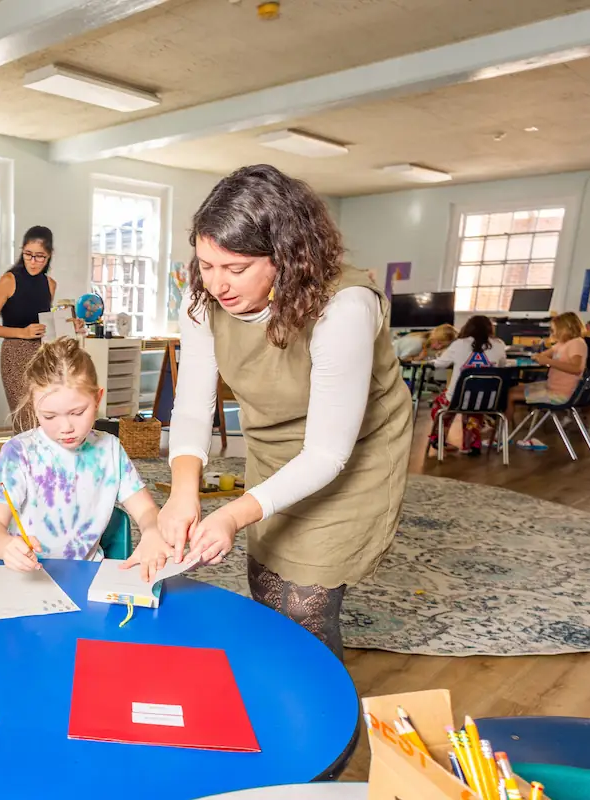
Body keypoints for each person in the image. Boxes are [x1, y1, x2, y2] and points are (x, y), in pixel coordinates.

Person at [161, 165, 413, 659]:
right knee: (268, 579)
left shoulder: (344, 307)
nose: (217, 284)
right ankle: (279, 707)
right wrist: (183, 491)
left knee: (305, 606)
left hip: (352, 456)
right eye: (207, 265)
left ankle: (326, 727)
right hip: (274, 443)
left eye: (236, 269)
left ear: (286, 256)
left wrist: (231, 515)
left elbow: (325, 454)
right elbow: (191, 405)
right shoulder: (202, 297)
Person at [0, 339, 173, 582]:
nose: (66, 427)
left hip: (88, 576)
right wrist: (6, 545)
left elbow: (146, 510)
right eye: (49, 416)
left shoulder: (109, 449)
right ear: (34, 408)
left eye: (78, 412)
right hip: (28, 578)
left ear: (98, 398)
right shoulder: (19, 453)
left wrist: (152, 531)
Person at [0, 226, 80, 433]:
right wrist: (22, 332)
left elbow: (48, 325)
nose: (33, 261)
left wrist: (71, 324)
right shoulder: (9, 280)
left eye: (40, 256)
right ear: (22, 251)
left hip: (43, 355)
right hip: (14, 354)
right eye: (28, 254)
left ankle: (44, 464)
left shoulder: (50, 284)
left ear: (50, 255)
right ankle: (22, 463)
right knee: (25, 418)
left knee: (46, 415)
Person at [428, 315, 507, 455]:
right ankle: (472, 443)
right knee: (473, 410)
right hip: (487, 401)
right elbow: (502, 367)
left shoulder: (459, 344)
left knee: (440, 404)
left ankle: (439, 438)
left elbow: (440, 364)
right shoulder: (500, 345)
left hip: (456, 399)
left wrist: (433, 361)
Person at [507, 312, 588, 448]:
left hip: (560, 394)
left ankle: (504, 435)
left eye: (554, 329)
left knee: (511, 394)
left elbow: (576, 368)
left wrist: (549, 361)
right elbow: (545, 355)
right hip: (554, 387)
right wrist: (542, 355)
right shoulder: (563, 343)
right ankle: (505, 433)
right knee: (512, 389)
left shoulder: (576, 344)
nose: (552, 331)